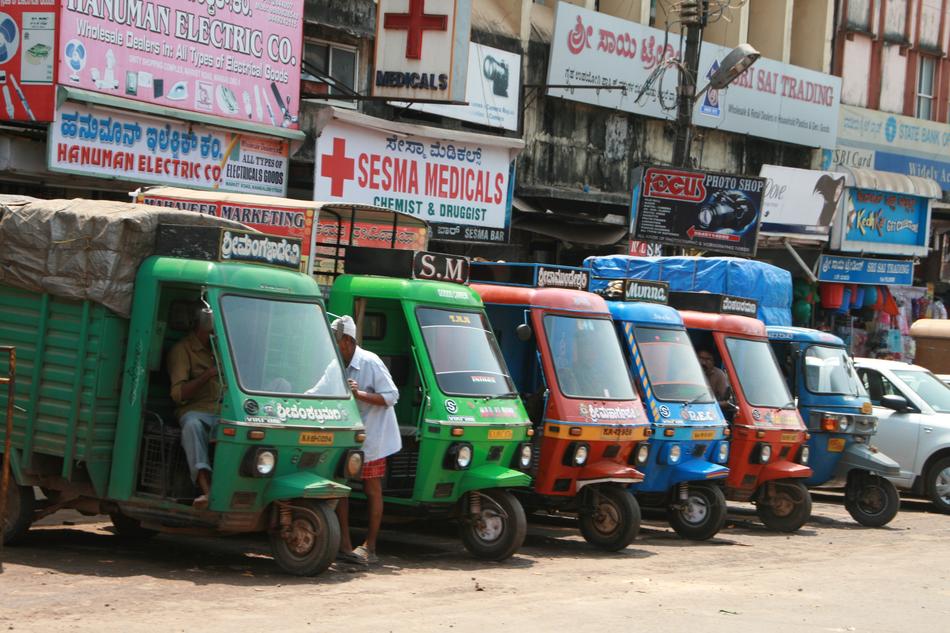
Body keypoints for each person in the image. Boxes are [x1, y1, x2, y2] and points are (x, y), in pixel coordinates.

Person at [332, 315, 401, 565]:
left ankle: (370, 547)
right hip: (347, 436)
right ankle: (345, 545)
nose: (333, 344)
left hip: (372, 437)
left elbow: (392, 396)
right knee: (339, 488)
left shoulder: (371, 362)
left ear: (348, 341)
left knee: (372, 490)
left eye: (336, 340)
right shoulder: (336, 362)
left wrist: (358, 394)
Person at [167, 304, 221, 509]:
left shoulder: (219, 349)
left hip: (222, 411)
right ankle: (206, 490)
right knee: (192, 426)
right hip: (196, 411)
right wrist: (207, 376)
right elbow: (178, 395)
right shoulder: (182, 350)